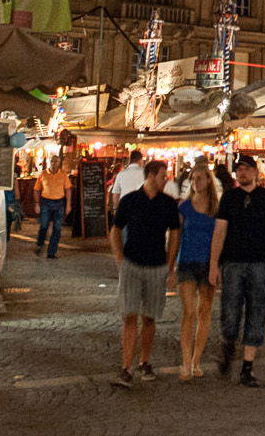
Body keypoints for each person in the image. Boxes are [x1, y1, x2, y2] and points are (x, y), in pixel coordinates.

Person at [209, 154, 265, 388]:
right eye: (239, 169)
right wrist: (214, 263)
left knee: (257, 312)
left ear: (255, 172)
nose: (242, 173)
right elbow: (220, 231)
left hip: (259, 263)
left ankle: (247, 368)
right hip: (232, 263)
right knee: (230, 312)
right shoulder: (229, 198)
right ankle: (228, 344)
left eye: (246, 169)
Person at [108, 160, 179, 389]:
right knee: (129, 315)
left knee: (149, 317)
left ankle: (144, 361)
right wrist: (119, 258)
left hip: (156, 265)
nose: (165, 179)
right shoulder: (130, 200)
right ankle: (126, 366)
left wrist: (170, 264)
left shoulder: (167, 203)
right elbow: (115, 230)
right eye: (162, 176)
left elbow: (175, 233)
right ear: (150, 176)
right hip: (132, 263)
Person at [176, 163, 218, 381]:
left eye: (200, 178)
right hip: (187, 261)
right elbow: (176, 235)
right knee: (189, 312)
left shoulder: (216, 208)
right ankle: (185, 361)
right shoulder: (184, 207)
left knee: (205, 311)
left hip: (208, 263)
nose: (196, 182)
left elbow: (221, 237)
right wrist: (172, 264)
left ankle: (196, 360)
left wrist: (217, 264)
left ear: (209, 180)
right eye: (193, 179)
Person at [34, 155, 71, 259]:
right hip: (45, 202)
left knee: (57, 228)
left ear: (59, 163)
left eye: (56, 161)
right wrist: (37, 203)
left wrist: (68, 204)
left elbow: (68, 189)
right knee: (44, 225)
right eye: (52, 161)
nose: (54, 163)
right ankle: (40, 244)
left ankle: (51, 252)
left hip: (59, 202)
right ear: (49, 162)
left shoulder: (63, 174)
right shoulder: (43, 174)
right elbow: (36, 189)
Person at [109, 150, 145, 214]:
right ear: (140, 160)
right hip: (141, 208)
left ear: (130, 160)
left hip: (125, 208)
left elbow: (115, 194)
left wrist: (115, 209)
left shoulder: (121, 174)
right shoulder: (145, 173)